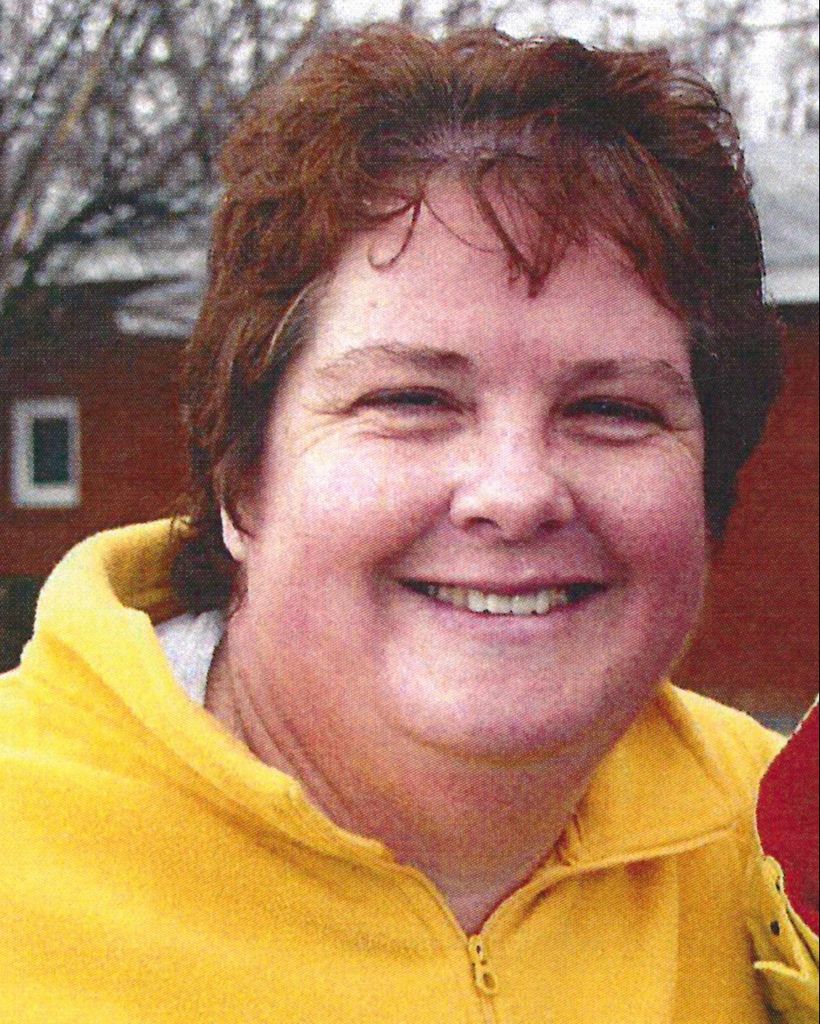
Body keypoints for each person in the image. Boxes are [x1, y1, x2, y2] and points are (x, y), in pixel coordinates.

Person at [0, 23, 816, 1024]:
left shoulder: (778, 841)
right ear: (242, 481)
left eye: (613, 409)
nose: (515, 492)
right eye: (411, 400)